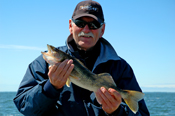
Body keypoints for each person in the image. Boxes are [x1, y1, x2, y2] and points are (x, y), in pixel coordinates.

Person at [13, 0, 150, 116]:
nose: (86, 30)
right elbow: (24, 106)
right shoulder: (41, 64)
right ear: (70, 26)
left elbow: (142, 113)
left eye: (93, 25)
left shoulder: (120, 68)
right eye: (80, 23)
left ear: (102, 30)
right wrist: (50, 87)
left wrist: (115, 112)